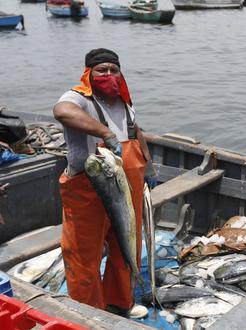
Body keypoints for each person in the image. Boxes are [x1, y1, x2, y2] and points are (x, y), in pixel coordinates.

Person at [53, 48, 156, 316]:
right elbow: (61, 111)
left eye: (114, 70)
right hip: (87, 191)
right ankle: (89, 313)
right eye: (102, 70)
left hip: (126, 186)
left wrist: (149, 166)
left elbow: (137, 131)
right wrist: (104, 132)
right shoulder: (78, 98)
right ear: (89, 73)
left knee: (127, 247)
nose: (109, 75)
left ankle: (121, 302)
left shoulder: (125, 103)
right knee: (83, 255)